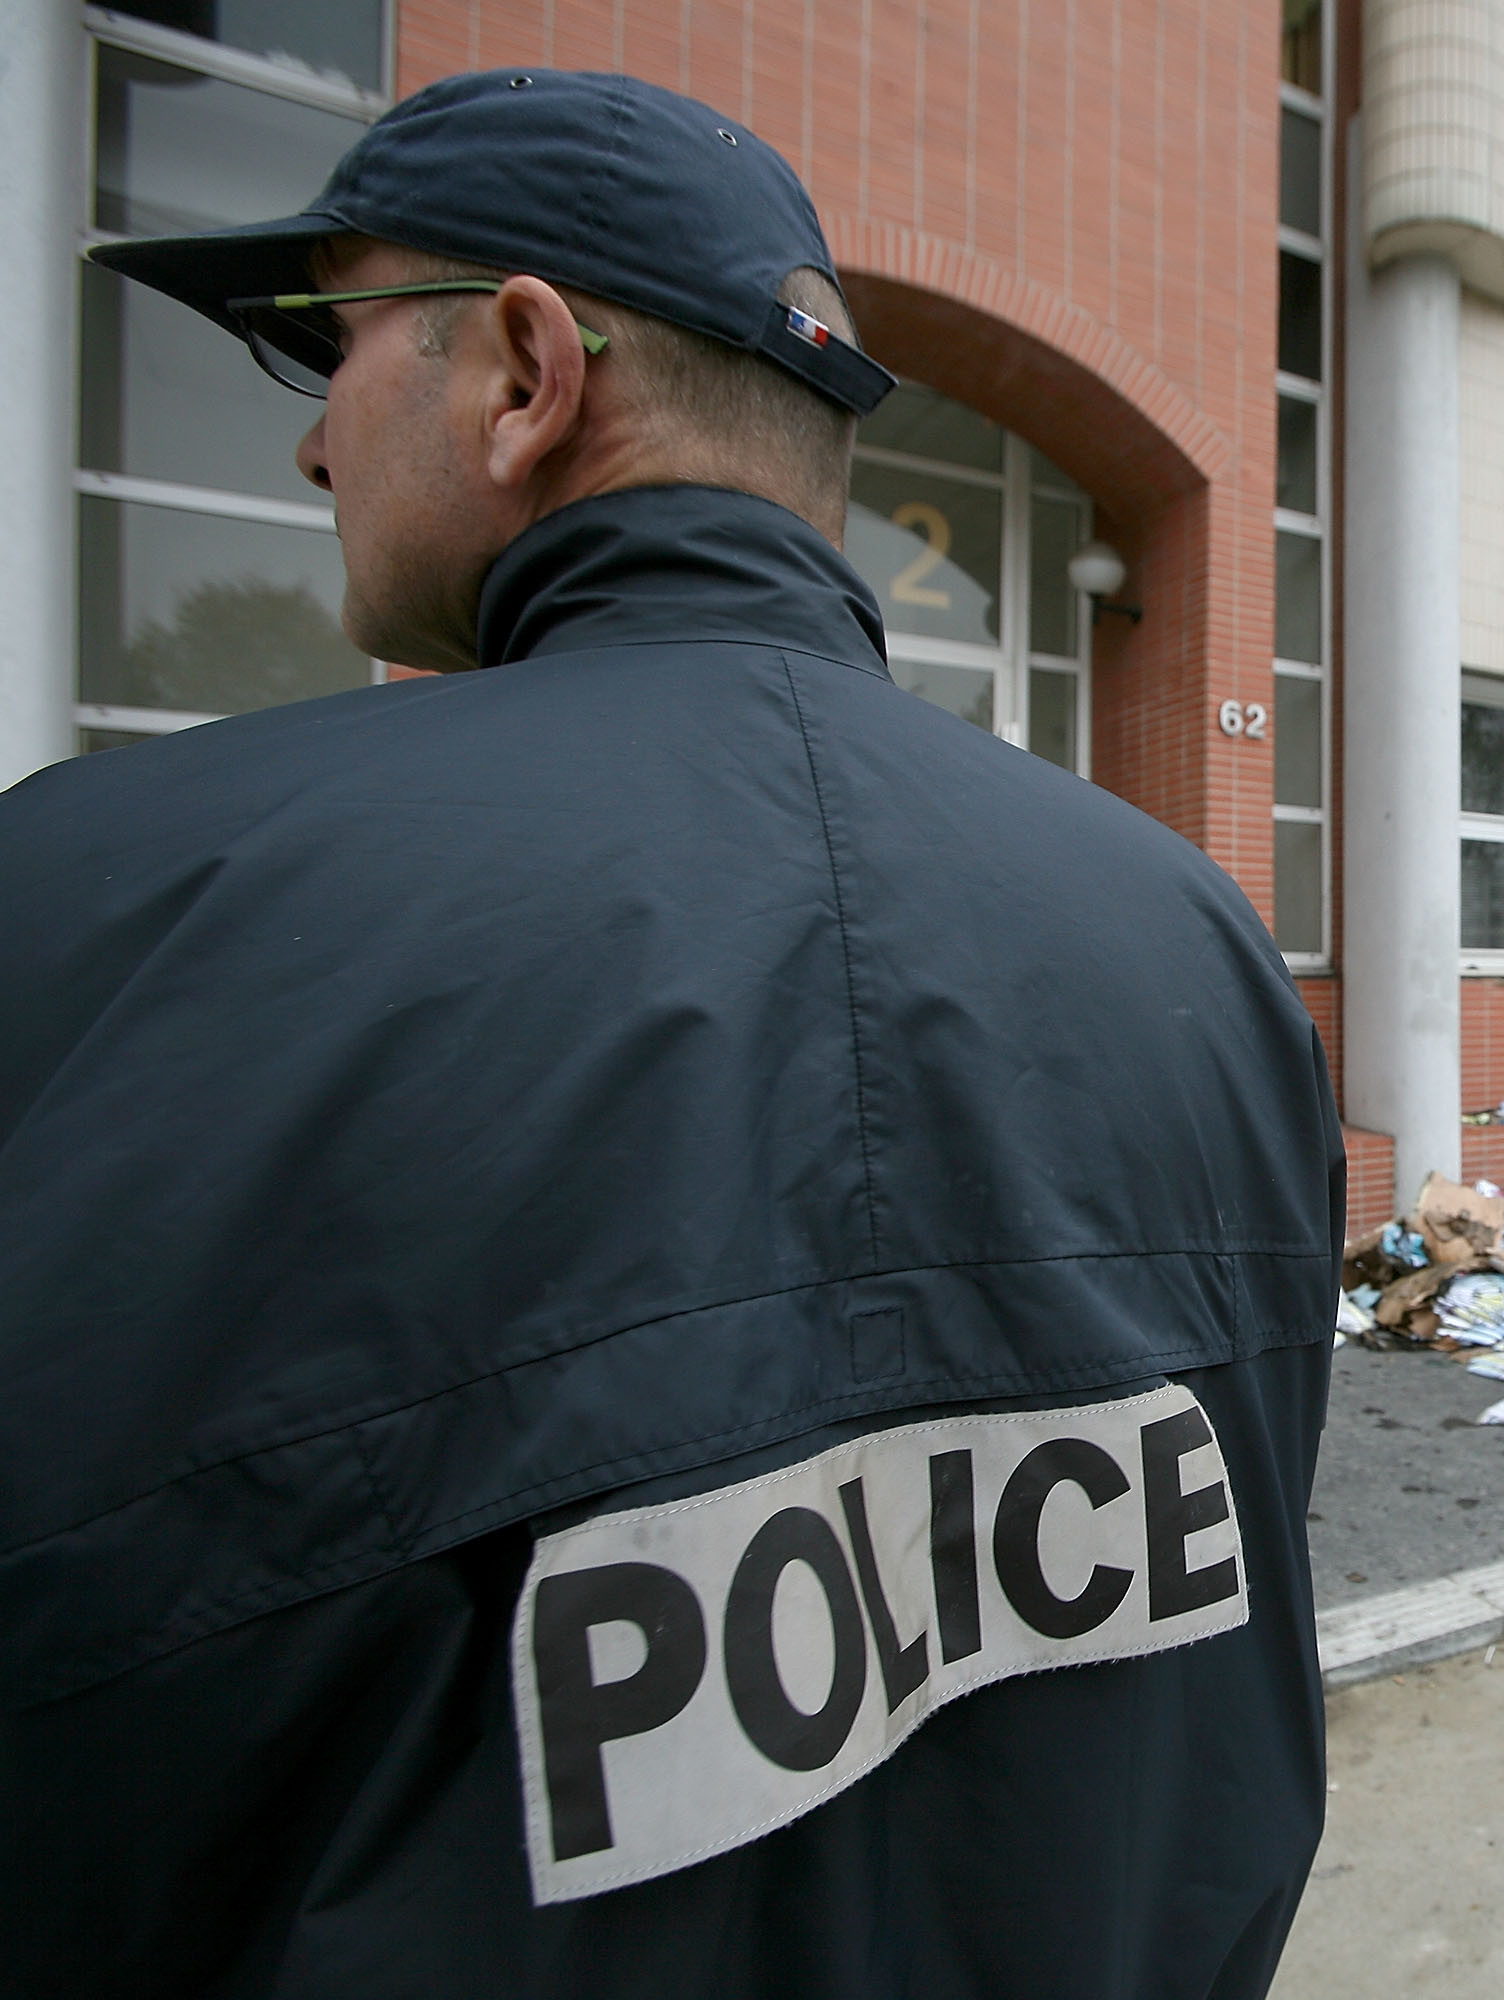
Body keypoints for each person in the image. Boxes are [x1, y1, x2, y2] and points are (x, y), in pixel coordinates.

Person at [1, 71, 1339, 1994]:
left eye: (331, 352)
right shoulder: (1196, 938)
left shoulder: (92, 906)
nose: (309, 456)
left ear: (526, 371)